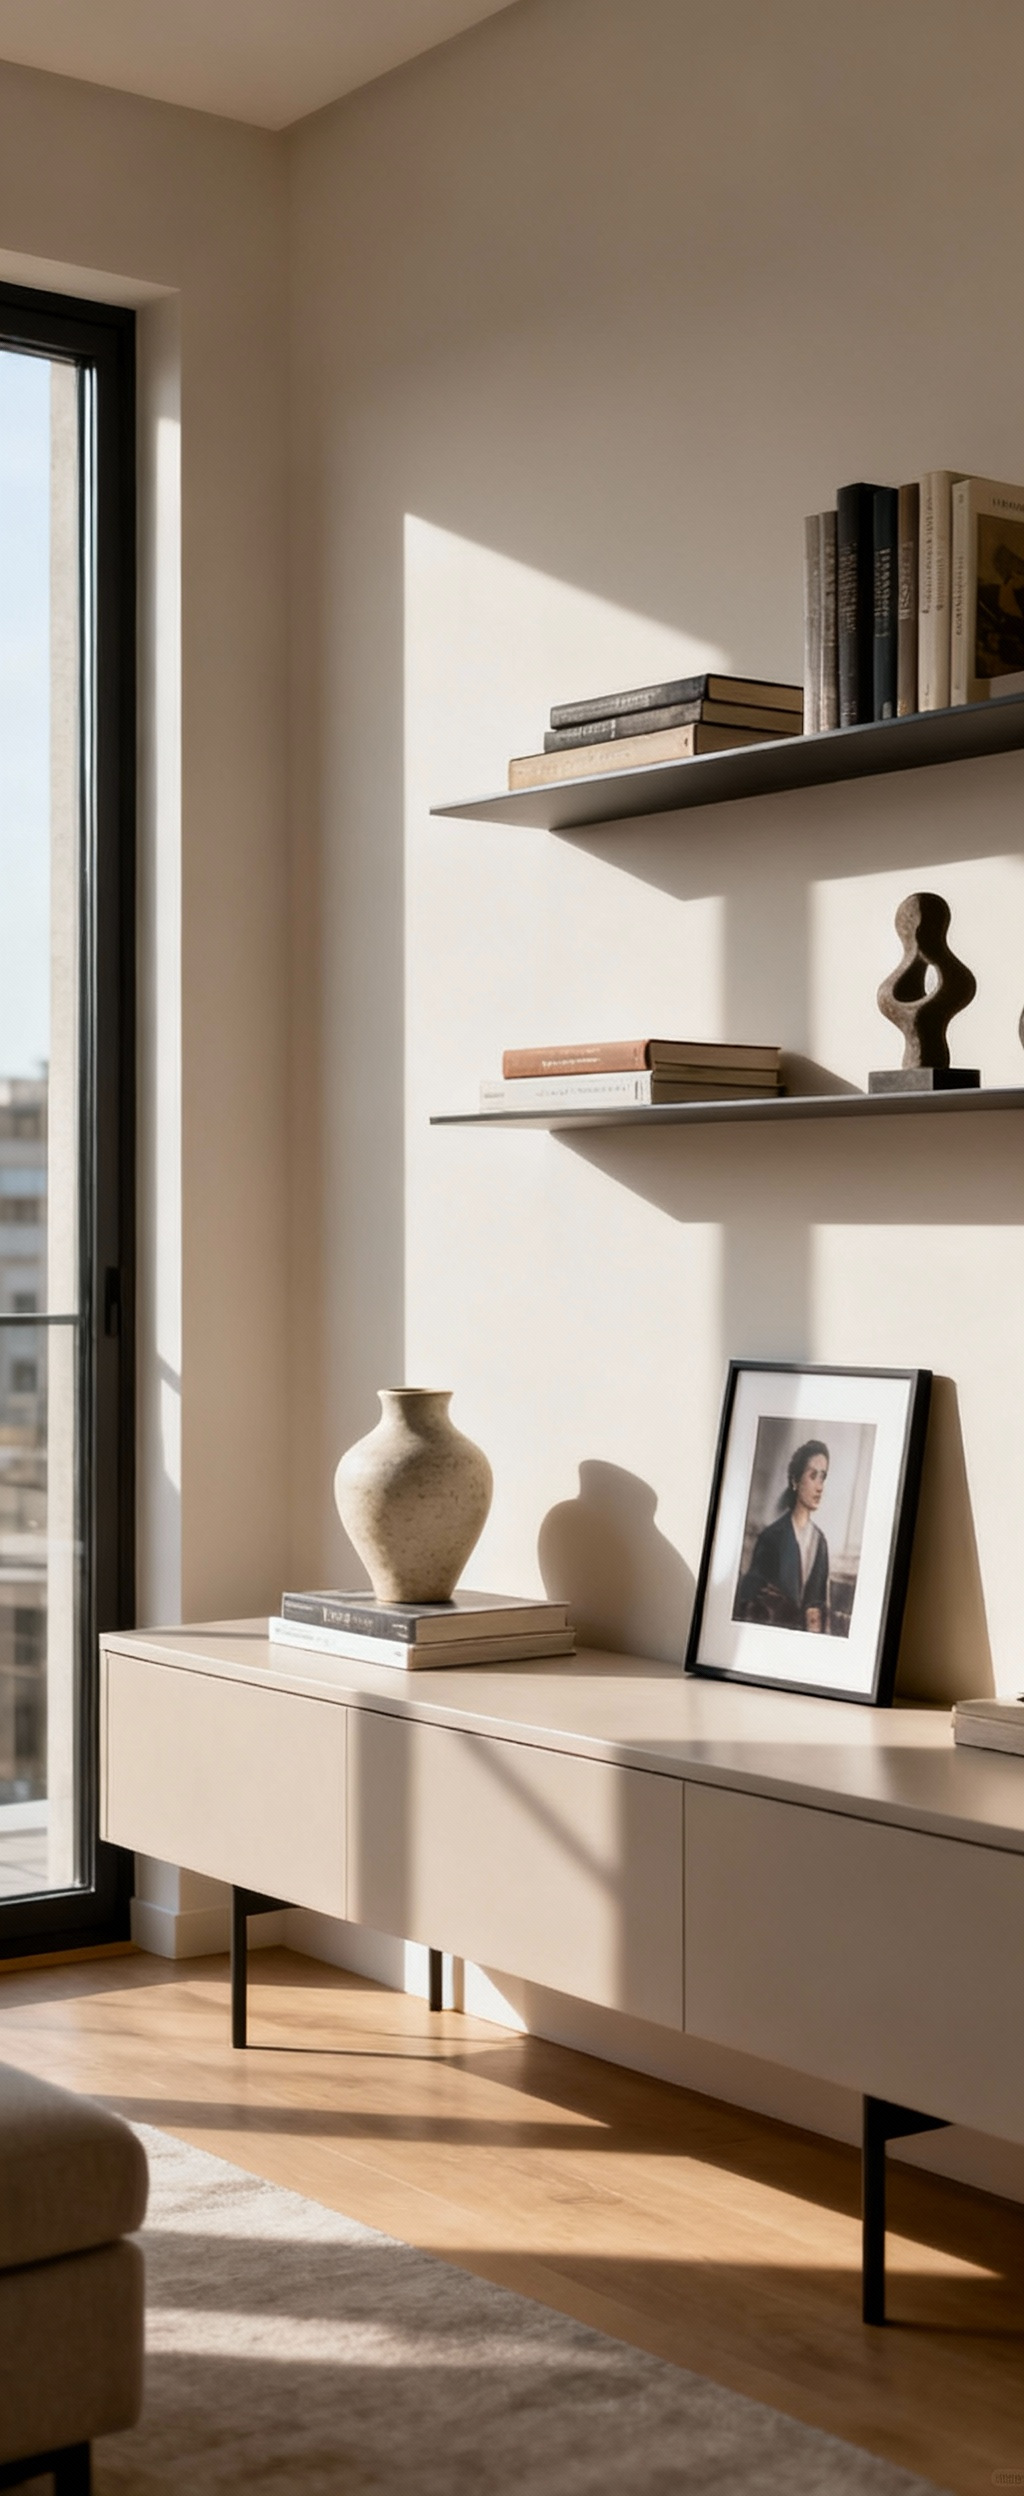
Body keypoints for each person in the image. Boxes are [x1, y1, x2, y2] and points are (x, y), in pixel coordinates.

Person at [734, 1439, 830, 1633]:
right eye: (813, 1476)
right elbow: (750, 1597)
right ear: (795, 1481)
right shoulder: (771, 1538)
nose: (819, 1486)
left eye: (823, 1477)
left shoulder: (820, 1542)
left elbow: (817, 1603)